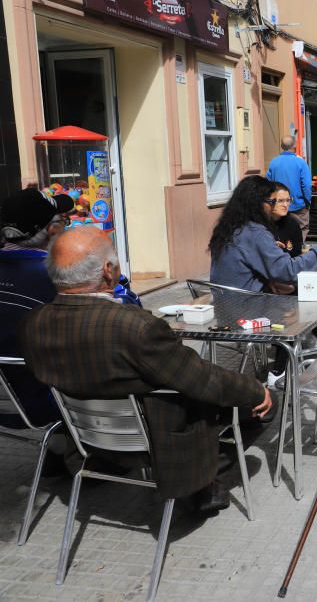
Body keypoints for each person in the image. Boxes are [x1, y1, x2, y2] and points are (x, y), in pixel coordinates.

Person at [19, 226, 272, 512]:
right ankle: (202, 482)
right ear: (108, 271)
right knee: (258, 407)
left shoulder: (33, 323)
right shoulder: (134, 327)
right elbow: (200, 378)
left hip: (86, 437)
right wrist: (256, 390)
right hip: (153, 442)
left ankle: (112, 467)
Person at [0, 188, 75, 429]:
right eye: (63, 221)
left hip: (6, 402)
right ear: (52, 230)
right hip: (43, 403)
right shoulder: (60, 278)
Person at [209, 175, 317, 292]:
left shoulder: (231, 227)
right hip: (247, 307)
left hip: (224, 301)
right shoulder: (255, 233)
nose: (275, 206)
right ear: (256, 203)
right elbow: (288, 271)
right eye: (272, 201)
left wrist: (268, 249)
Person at [266, 135, 312, 240]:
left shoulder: (274, 162)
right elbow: (306, 185)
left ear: (281, 146)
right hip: (298, 204)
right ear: (294, 146)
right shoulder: (300, 162)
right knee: (301, 228)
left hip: (278, 204)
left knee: (280, 230)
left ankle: (283, 252)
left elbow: (268, 183)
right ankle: (297, 251)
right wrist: (308, 201)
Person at [267, 183, 302, 258]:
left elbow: (297, 254)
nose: (285, 205)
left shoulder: (292, 224)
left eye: (288, 200)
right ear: (268, 202)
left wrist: (282, 250)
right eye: (280, 201)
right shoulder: (259, 225)